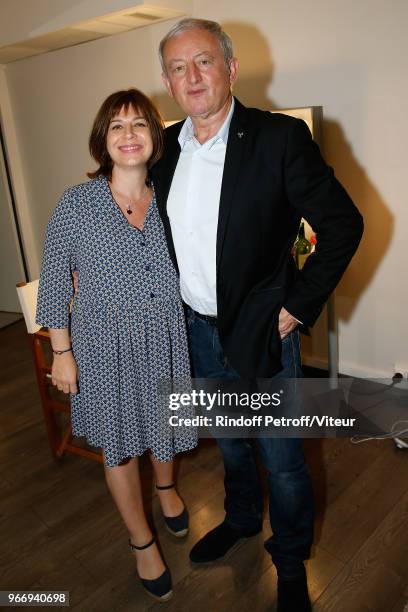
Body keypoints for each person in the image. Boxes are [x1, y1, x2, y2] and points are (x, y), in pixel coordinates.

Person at [151, 18, 364, 611]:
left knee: (282, 456)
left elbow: (342, 225)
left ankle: (291, 559)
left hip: (263, 333)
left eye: (203, 62)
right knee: (232, 443)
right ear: (166, 80)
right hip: (195, 330)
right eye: (177, 67)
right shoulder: (164, 147)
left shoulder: (277, 138)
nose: (191, 77)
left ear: (230, 68)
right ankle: (242, 518)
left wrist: (297, 306)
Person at [36, 88, 197, 603]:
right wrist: (62, 353)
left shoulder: (173, 197)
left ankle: (168, 490)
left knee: (166, 424)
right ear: (102, 141)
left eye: (140, 125)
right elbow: (56, 281)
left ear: (156, 136)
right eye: (117, 127)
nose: (129, 136)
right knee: (121, 445)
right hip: (104, 348)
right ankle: (141, 540)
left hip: (167, 337)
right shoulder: (77, 203)